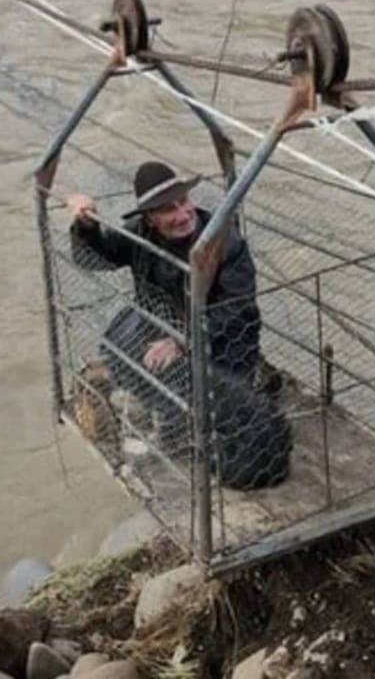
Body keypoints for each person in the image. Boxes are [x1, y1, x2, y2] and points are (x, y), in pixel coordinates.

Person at [69, 160, 291, 490]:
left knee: (214, 405)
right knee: (118, 346)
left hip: (220, 345)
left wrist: (181, 340)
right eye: (167, 209)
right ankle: (168, 414)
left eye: (184, 201)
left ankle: (190, 419)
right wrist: (85, 224)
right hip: (161, 329)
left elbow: (237, 310)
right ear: (149, 218)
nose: (183, 214)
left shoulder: (224, 242)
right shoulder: (139, 233)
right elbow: (95, 258)